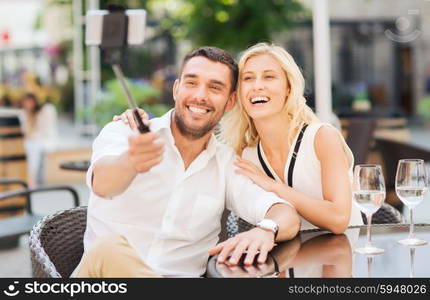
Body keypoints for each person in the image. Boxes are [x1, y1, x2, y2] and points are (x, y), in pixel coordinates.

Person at [73, 46, 300, 278]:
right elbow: (102, 183)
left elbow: (286, 215)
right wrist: (130, 162)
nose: (200, 95)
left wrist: (266, 230)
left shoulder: (225, 164)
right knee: (108, 250)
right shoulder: (124, 132)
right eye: (191, 83)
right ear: (176, 89)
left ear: (230, 101)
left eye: (214, 87)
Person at [119, 43, 363, 234]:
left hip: (343, 258)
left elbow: (339, 219)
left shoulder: (321, 137)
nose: (257, 86)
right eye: (248, 78)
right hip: (291, 263)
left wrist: (274, 187)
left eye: (269, 77)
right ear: (236, 96)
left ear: (289, 88)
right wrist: (138, 117)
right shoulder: (244, 155)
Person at [20, 93, 58, 187]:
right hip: (30, 141)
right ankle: (30, 178)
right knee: (31, 147)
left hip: (41, 140)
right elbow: (25, 131)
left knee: (34, 148)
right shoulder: (24, 114)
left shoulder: (44, 112)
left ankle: (31, 179)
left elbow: (45, 130)